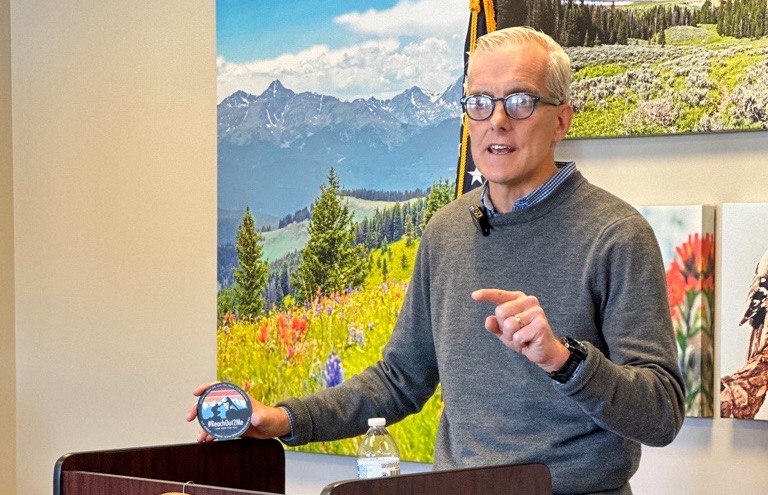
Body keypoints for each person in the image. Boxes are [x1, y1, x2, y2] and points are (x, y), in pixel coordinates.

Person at [188, 26, 685, 494]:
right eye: (480, 102)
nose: (498, 119)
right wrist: (280, 419)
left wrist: (563, 360)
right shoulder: (446, 231)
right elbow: (399, 381)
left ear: (561, 119)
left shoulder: (617, 235)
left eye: (520, 100)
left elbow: (661, 412)